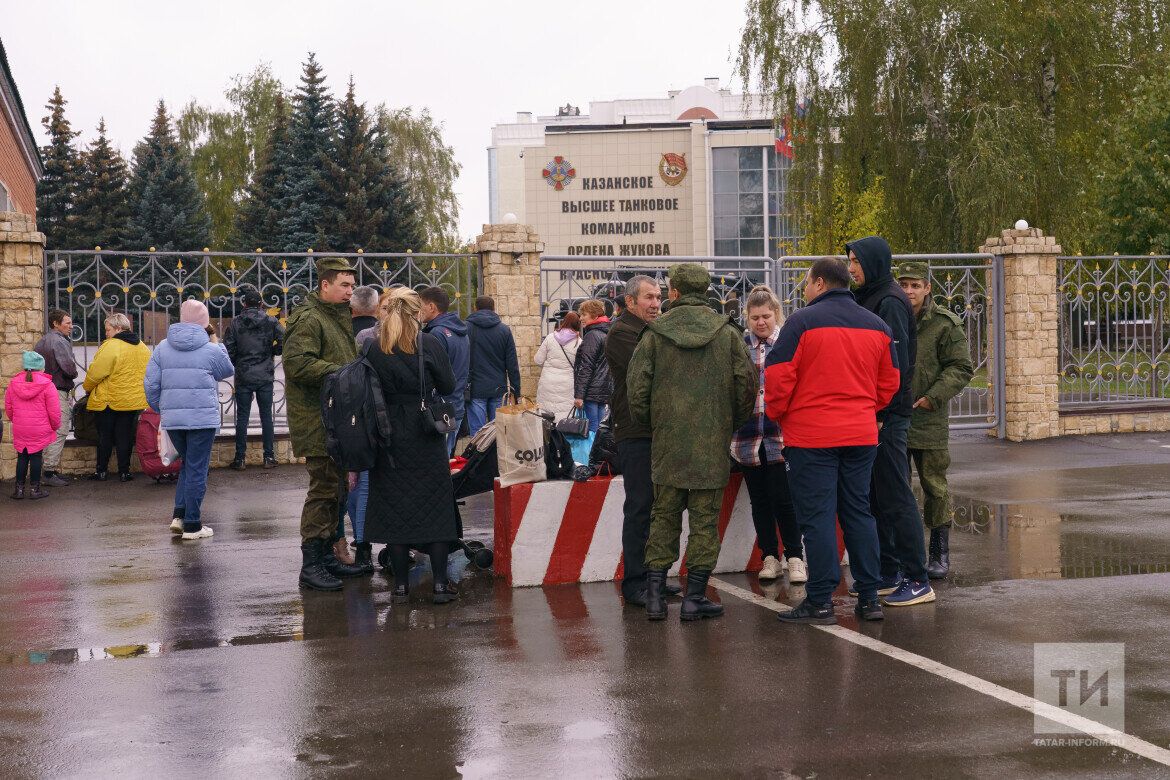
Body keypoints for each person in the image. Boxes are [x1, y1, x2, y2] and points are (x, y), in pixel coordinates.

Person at [766, 258, 902, 625]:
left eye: (807, 282)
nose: (805, 289)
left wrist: (781, 415)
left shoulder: (800, 322)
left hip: (812, 438)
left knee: (818, 518)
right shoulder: (876, 325)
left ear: (821, 283)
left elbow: (778, 379)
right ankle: (870, 598)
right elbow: (890, 383)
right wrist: (863, 408)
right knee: (859, 512)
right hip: (860, 434)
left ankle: (821, 601)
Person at [628, 263, 757, 622]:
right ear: (707, 291)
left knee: (663, 517)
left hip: (668, 444)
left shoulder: (654, 333)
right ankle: (694, 598)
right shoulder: (728, 334)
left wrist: (657, 425)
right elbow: (747, 386)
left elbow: (636, 391)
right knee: (704, 522)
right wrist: (729, 423)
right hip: (711, 444)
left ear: (674, 293)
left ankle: (654, 599)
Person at [847, 236, 936, 607]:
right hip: (872, 413)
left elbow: (895, 368)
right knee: (876, 494)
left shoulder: (890, 302)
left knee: (896, 494)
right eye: (848, 260)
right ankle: (889, 571)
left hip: (888, 416)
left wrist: (883, 415)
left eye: (855, 261)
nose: (850, 267)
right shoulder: (868, 296)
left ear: (873, 262)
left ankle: (918, 577)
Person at [362, 287, 460, 605]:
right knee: (436, 509)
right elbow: (447, 385)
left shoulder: (374, 347)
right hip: (426, 433)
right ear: (417, 312)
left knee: (396, 509)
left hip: (388, 433)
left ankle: (401, 587)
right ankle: (441, 586)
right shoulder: (428, 342)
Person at [284, 257, 366, 591]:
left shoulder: (336, 316)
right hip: (317, 421)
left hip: (336, 418)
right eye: (344, 285)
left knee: (336, 490)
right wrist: (341, 372)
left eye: (352, 285)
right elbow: (297, 364)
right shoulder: (310, 318)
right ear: (325, 285)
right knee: (323, 490)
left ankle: (329, 558)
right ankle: (311, 564)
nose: (350, 292)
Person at [604, 275, 680, 607]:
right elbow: (654, 369)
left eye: (658, 297)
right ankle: (634, 583)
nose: (655, 303)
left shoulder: (651, 330)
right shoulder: (622, 332)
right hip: (635, 432)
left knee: (658, 509)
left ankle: (655, 580)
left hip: (658, 430)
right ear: (630, 301)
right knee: (639, 508)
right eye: (648, 297)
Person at [896, 261, 974, 579]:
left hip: (928, 418)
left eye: (916, 285)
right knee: (897, 489)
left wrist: (933, 397)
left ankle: (939, 553)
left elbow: (961, 367)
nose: (910, 291)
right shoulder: (890, 318)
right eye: (904, 285)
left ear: (927, 288)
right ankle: (901, 555)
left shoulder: (944, 324)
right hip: (895, 418)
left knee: (934, 486)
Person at [730, 285, 806, 584]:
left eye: (766, 316)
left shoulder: (787, 343)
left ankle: (796, 557)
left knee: (785, 500)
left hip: (780, 436)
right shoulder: (740, 346)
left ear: (776, 314)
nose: (760, 322)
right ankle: (769, 557)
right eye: (754, 317)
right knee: (759, 501)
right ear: (747, 318)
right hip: (747, 437)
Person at [144, 300, 235, 540]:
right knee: (197, 470)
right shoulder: (210, 348)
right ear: (205, 324)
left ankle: (179, 516)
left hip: (174, 420)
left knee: (187, 465)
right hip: (202, 420)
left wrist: (163, 408)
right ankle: (193, 526)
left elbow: (151, 385)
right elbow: (227, 370)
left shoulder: (163, 347)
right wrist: (215, 339)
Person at [83, 313, 151, 482]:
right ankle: (124, 472)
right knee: (125, 437)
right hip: (131, 402)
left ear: (118, 329)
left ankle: (102, 472)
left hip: (109, 401)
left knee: (105, 437)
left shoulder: (111, 346)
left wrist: (87, 388)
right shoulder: (142, 346)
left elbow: (95, 373)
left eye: (108, 329)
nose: (106, 333)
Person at [223, 287, 284, 471]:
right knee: (267, 416)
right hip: (265, 373)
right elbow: (284, 337)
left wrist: (238, 362)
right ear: (261, 304)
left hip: (244, 374)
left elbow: (229, 348)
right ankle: (269, 456)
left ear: (244, 304)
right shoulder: (271, 321)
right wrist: (274, 351)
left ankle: (240, 459)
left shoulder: (235, 323)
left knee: (242, 418)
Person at [419, 286, 470, 455]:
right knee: (447, 456)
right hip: (456, 404)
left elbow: (434, 373)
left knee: (440, 459)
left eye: (420, 305)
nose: (418, 311)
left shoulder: (436, 334)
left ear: (432, 307)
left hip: (441, 407)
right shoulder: (460, 330)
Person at [5, 351, 61, 500]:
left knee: (22, 457)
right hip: (39, 428)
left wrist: (16, 420)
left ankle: (19, 490)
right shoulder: (48, 385)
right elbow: (54, 411)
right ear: (40, 367)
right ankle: (35, 489)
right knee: (36, 456)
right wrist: (55, 426)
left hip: (20, 427)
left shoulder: (13, 383)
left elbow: (8, 407)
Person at [34, 309, 78, 486]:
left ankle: (48, 470)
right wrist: (73, 373)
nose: (71, 326)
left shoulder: (42, 341)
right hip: (57, 390)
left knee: (47, 430)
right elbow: (68, 368)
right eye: (67, 323)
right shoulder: (59, 340)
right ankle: (49, 472)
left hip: (42, 389)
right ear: (56, 324)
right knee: (59, 430)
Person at [465, 296, 520, 437]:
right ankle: (495, 459)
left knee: (477, 433)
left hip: (475, 389)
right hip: (499, 389)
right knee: (498, 432)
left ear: (475, 308)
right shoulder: (504, 330)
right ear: (494, 309)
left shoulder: (467, 328)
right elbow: (512, 364)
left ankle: (477, 458)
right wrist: (516, 392)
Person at [573, 299, 612, 434]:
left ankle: (590, 455)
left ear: (594, 316)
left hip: (591, 391)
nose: (581, 318)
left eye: (584, 315)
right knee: (600, 429)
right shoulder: (606, 333)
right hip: (602, 390)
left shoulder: (592, 335)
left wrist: (579, 395)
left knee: (591, 430)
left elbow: (586, 367)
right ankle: (599, 455)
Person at [534, 311, 581, 420]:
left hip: (548, 381)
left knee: (545, 415)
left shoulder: (550, 338)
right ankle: (561, 436)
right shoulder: (579, 342)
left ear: (563, 322)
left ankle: (548, 436)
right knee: (564, 416)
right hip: (568, 383)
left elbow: (538, 360)